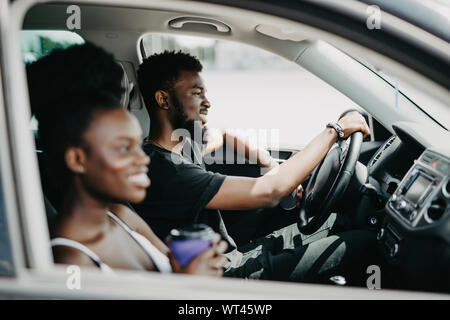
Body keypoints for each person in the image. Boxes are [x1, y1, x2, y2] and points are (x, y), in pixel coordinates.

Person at [134, 50, 380, 284]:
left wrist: (267, 161)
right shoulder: (166, 171)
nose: (207, 103)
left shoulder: (183, 144)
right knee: (365, 243)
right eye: (197, 93)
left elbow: (222, 133)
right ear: (163, 99)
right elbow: (270, 190)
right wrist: (333, 132)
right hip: (224, 277)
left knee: (343, 220)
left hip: (234, 256)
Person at [26, 43, 227, 276]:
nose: (142, 159)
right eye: (124, 148)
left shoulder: (120, 216)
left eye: (137, 144)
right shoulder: (70, 262)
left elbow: (176, 278)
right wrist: (195, 285)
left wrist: (195, 267)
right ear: (77, 159)